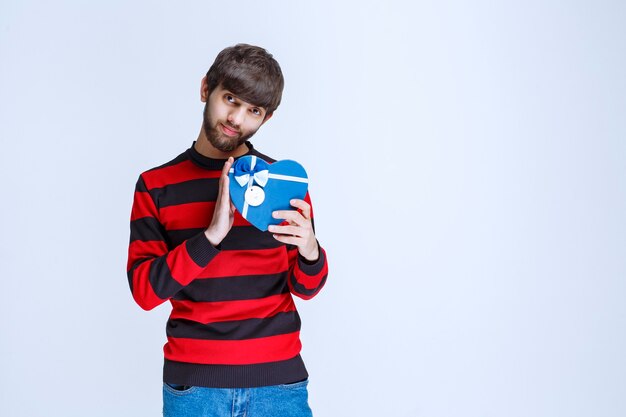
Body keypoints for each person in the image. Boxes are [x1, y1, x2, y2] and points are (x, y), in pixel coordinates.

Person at [126, 44, 329, 417]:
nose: (236, 118)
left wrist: (310, 251)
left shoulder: (283, 182)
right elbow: (144, 292)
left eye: (253, 110)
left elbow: (306, 287)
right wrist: (210, 238)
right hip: (195, 391)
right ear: (206, 89)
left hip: (279, 387)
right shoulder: (156, 185)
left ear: (265, 119)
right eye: (230, 99)